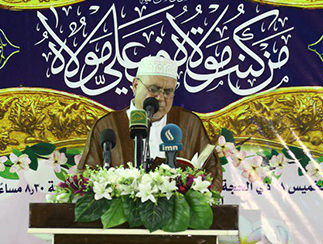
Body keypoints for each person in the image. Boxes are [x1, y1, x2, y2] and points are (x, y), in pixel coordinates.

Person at [77, 55, 223, 192]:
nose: (160, 97)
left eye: (168, 91)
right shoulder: (107, 125)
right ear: (135, 86)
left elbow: (212, 172)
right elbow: (87, 176)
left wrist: (188, 197)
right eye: (153, 89)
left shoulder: (189, 123)